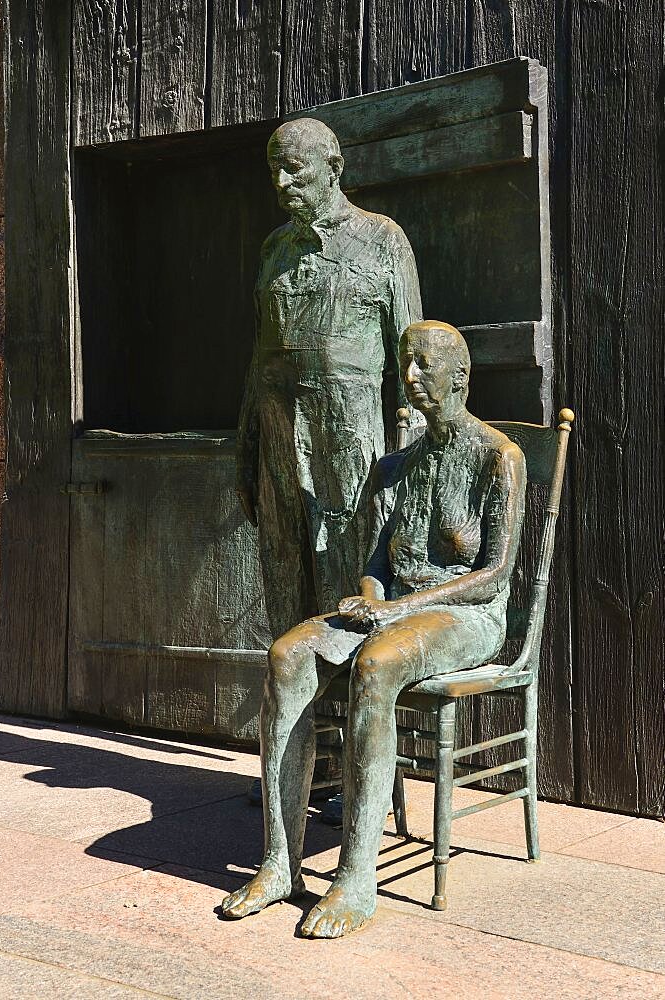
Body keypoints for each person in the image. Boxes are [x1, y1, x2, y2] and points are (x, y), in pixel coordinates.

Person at [223, 321, 527, 937]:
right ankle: (281, 862)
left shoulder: (499, 457)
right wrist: (369, 600)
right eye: (404, 364)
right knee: (287, 655)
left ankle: (357, 876)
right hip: (396, 614)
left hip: (470, 619)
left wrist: (392, 615)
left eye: (423, 365)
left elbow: (495, 576)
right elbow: (377, 566)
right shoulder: (395, 468)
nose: (410, 377)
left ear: (459, 378)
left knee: (378, 662)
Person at [236, 117, 422, 636]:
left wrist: (417, 463)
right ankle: (299, 715)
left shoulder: (383, 240)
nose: (281, 183)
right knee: (283, 571)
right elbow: (259, 359)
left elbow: (414, 360)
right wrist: (246, 452)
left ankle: (358, 709)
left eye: (294, 170)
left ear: (333, 168)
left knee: (354, 581)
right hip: (277, 440)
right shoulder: (274, 250)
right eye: (274, 170)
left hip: (349, 444)